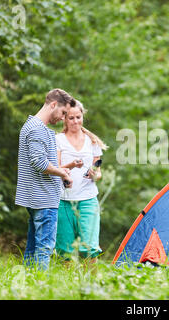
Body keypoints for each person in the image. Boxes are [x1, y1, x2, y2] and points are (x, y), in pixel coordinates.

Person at [15, 88, 76, 271]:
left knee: (33, 248)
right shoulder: (37, 129)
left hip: (37, 197)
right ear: (53, 105)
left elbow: (42, 162)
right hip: (43, 199)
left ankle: (29, 284)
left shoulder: (32, 126)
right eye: (63, 113)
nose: (63, 118)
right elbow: (39, 163)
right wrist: (63, 173)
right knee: (45, 249)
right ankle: (41, 286)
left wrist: (63, 171)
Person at [55, 99, 108, 263]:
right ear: (64, 118)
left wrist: (94, 174)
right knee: (65, 250)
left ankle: (92, 285)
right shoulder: (58, 140)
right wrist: (69, 169)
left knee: (90, 247)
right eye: (71, 118)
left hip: (88, 199)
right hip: (64, 200)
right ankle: (67, 286)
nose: (75, 121)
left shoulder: (91, 141)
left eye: (78, 117)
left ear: (82, 116)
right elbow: (55, 168)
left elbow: (98, 172)